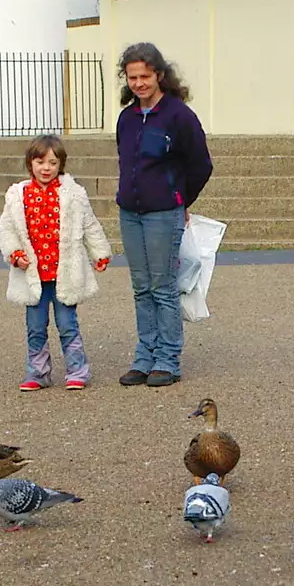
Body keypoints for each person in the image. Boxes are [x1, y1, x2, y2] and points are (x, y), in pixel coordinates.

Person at [113, 43, 212, 388]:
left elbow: (201, 164)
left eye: (145, 76)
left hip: (163, 213)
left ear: (159, 75)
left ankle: (168, 359)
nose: (139, 83)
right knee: (141, 288)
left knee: (163, 287)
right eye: (132, 77)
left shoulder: (178, 116)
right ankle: (145, 356)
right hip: (130, 213)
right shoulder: (126, 118)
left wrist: (182, 200)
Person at [0, 135, 112, 392]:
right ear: (30, 164)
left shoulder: (74, 194)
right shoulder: (18, 195)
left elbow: (90, 225)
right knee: (35, 327)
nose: (46, 168)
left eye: (52, 162)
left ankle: (77, 370)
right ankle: (38, 373)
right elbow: (7, 229)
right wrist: (15, 253)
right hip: (32, 274)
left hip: (64, 273)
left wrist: (100, 253)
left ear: (61, 164)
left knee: (67, 324)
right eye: (40, 162)